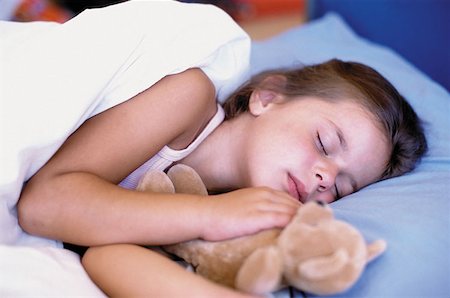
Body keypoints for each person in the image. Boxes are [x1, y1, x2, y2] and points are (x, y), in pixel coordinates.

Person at [14, 4, 427, 298]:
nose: (324, 178)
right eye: (324, 142)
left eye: (340, 188)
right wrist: (211, 216)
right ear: (267, 98)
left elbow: (105, 254)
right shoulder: (188, 97)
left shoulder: (225, 206)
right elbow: (45, 204)